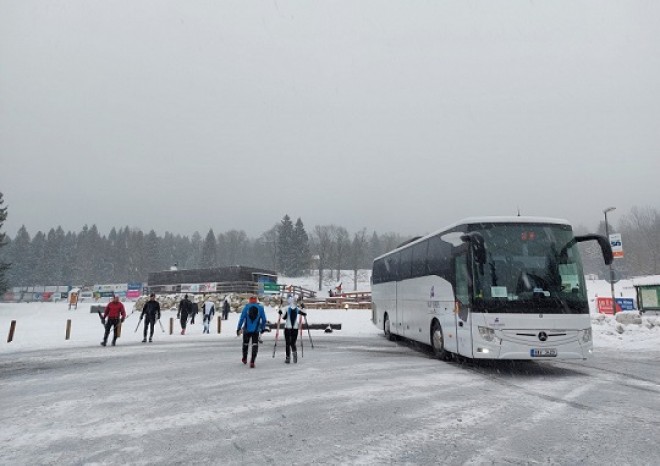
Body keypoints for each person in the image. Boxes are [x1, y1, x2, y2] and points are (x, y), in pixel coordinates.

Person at [236, 295, 267, 368]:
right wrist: (262, 328)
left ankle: (244, 358)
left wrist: (238, 328)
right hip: (256, 330)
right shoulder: (260, 308)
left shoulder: (246, 307)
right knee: (255, 345)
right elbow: (264, 320)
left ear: (249, 300)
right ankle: (252, 361)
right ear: (256, 300)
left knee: (245, 344)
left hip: (246, 330)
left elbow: (241, 319)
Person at [278, 295, 307, 363]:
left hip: (287, 328)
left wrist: (280, 311)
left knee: (288, 343)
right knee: (293, 343)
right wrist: (303, 305)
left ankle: (288, 358)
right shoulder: (297, 309)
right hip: (295, 328)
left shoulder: (286, 308)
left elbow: (284, 317)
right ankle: (295, 356)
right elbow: (304, 313)